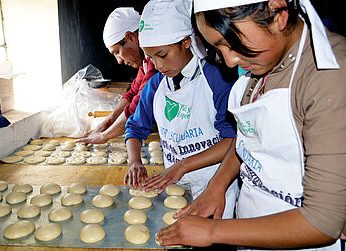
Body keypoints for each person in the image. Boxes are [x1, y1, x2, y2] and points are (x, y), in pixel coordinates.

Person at [155, 0, 346, 250]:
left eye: (231, 43)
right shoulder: (265, 59)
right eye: (218, 48)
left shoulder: (328, 76)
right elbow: (249, 138)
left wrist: (213, 231)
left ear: (277, 14)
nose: (230, 60)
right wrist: (218, 185)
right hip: (250, 231)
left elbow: (321, 222)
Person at [123, 0, 239, 218]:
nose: (157, 65)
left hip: (214, 186)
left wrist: (182, 165)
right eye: (150, 57)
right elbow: (135, 128)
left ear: (186, 41)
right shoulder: (155, 86)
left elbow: (232, 140)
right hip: (176, 189)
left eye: (162, 55)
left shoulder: (216, 79)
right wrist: (135, 161)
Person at [77, 7, 157, 144]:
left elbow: (137, 105)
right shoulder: (145, 61)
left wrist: (104, 136)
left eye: (117, 52)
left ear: (130, 37)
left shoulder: (156, 61)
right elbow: (132, 93)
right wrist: (106, 123)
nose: (119, 60)